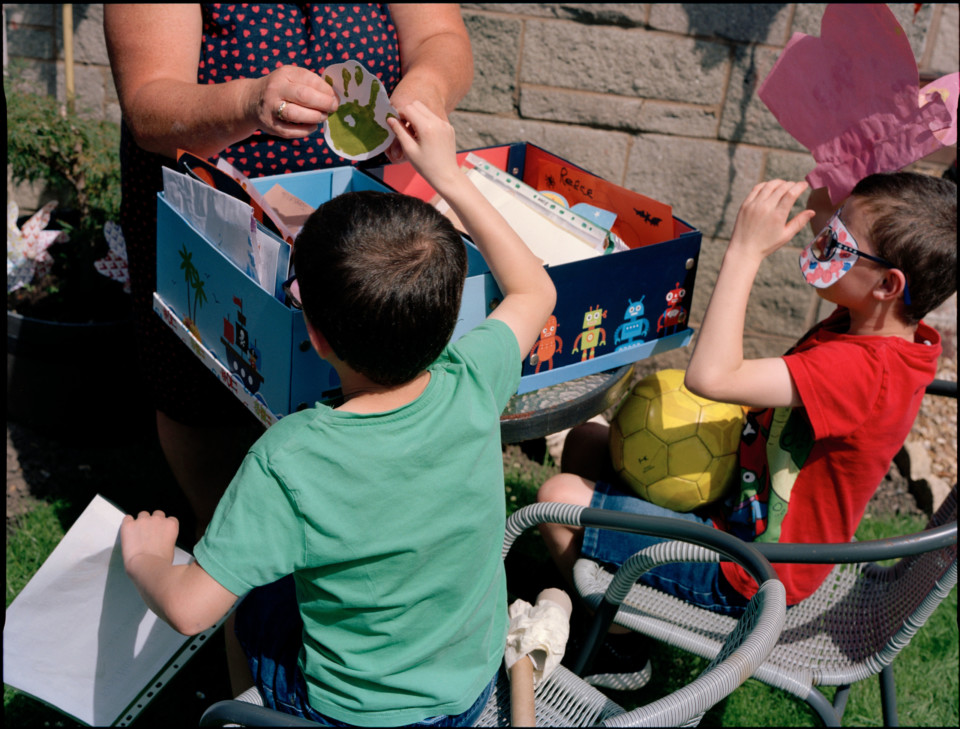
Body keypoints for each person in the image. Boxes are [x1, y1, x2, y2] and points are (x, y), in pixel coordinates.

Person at [120, 101, 557, 726]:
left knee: (252, 603)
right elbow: (535, 288)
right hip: (466, 691)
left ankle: (252, 715)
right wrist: (449, 177)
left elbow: (191, 610)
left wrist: (146, 559)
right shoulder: (474, 378)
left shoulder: (289, 459)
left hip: (353, 715)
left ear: (315, 336)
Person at [537, 172, 956, 688]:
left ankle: (621, 649)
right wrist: (835, 170)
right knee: (585, 443)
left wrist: (744, 252)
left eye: (839, 241)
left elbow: (711, 378)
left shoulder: (863, 372)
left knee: (556, 501)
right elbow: (834, 214)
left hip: (752, 572)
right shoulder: (880, 326)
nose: (823, 241)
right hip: (738, 508)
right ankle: (605, 598)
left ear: (887, 284)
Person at [103, 4, 474, 540]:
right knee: (204, 388)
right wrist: (247, 102)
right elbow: (149, 104)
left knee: (355, 392)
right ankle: (225, 541)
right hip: (215, 216)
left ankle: (335, 539)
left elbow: (440, 34)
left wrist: (426, 87)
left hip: (357, 216)